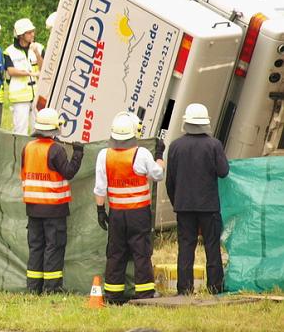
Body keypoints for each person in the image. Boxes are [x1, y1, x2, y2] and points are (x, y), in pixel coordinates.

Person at [94, 111, 165, 303]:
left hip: (116, 213)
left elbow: (100, 187)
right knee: (141, 251)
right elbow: (158, 174)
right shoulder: (141, 154)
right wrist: (159, 155)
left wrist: (100, 210)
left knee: (116, 252)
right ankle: (144, 293)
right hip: (138, 213)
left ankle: (113, 294)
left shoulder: (104, 155)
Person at [166, 103, 229, 295]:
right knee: (211, 246)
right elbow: (224, 172)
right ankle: (215, 287)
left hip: (184, 206)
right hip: (208, 206)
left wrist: (177, 201)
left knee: (185, 247)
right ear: (205, 123)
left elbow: (170, 181)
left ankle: (184, 289)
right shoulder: (214, 145)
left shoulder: (175, 146)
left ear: (186, 122)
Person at [20, 108, 83, 294]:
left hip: (32, 208)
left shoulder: (28, 147)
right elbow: (69, 172)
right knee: (54, 248)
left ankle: (33, 288)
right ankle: (52, 289)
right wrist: (78, 153)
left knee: (36, 247)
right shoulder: (55, 150)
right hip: (54, 208)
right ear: (55, 128)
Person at [4, 19, 42, 134]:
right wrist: (29, 73)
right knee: (20, 130)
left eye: (33, 32)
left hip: (37, 95)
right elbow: (11, 71)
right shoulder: (9, 51)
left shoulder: (39, 47)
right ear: (21, 35)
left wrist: (37, 53)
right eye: (29, 32)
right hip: (20, 98)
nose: (32, 35)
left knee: (39, 129)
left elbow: (44, 67)